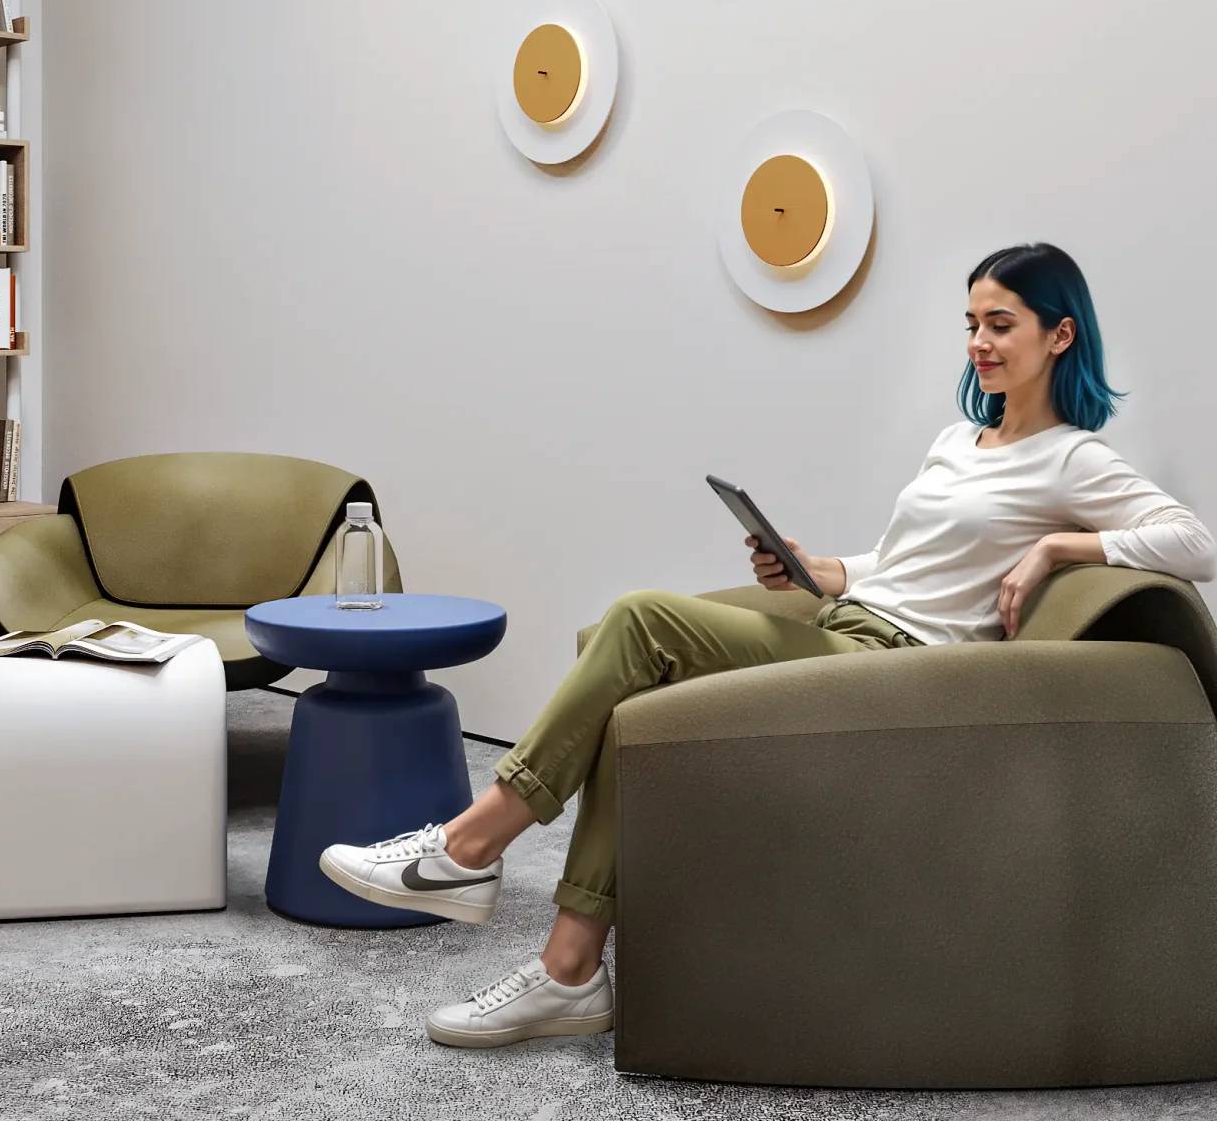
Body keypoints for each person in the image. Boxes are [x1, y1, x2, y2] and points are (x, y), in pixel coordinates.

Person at [320, 242, 1216, 1049]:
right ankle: (568, 973)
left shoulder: (1073, 460)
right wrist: (817, 567)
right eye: (972, 324)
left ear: (1060, 336)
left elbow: (1195, 544)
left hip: (899, 673)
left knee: (640, 617)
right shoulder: (960, 439)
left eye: (1002, 324)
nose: (980, 343)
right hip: (846, 625)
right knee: (636, 700)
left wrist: (1065, 544)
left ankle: (470, 847)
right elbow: (907, 564)